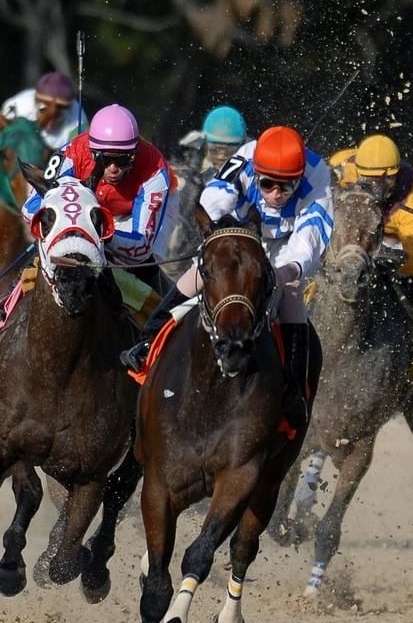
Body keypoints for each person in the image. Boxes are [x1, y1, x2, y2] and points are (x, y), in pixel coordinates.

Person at [123, 126, 332, 423]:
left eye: (287, 187)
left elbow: (310, 234)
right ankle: (147, 341)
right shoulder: (246, 157)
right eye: (268, 184)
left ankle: (294, 391)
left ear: (300, 178)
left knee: (293, 295)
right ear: (257, 172)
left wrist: (287, 271)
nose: (276, 194)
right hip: (238, 232)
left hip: (287, 245)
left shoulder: (317, 175)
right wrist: (217, 236)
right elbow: (216, 197)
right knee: (197, 274)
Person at [27, 103, 175, 299]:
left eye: (123, 160)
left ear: (135, 153)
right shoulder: (72, 152)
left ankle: (164, 311)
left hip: (133, 218)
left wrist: (98, 233)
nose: (113, 168)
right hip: (88, 216)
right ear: (92, 151)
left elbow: (140, 247)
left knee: (144, 264)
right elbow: (30, 207)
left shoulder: (155, 171)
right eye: (105, 159)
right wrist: (65, 224)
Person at [326, 133, 413, 373]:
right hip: (359, 233)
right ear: (357, 169)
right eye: (368, 180)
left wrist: (388, 262)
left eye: (384, 181)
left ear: (395, 175)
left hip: (399, 238)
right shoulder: (342, 165)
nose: (376, 188)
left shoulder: (411, 194)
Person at [2, 71, 86, 152]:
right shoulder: (19, 105)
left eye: (58, 116)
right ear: (35, 102)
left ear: (69, 110)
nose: (50, 125)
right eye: (43, 111)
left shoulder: (78, 120)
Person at [175, 104, 250, 179]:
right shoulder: (186, 166)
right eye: (215, 149)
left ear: (242, 147)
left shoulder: (250, 168)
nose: (221, 156)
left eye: (230, 150)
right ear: (205, 144)